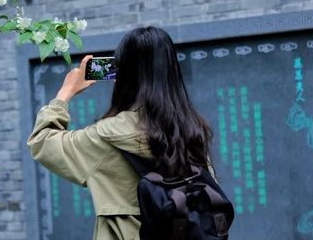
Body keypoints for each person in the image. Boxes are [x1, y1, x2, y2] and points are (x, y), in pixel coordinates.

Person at [27, 26, 214, 240]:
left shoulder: (106, 137)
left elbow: (42, 142)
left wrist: (65, 93)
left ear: (123, 74)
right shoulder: (193, 132)